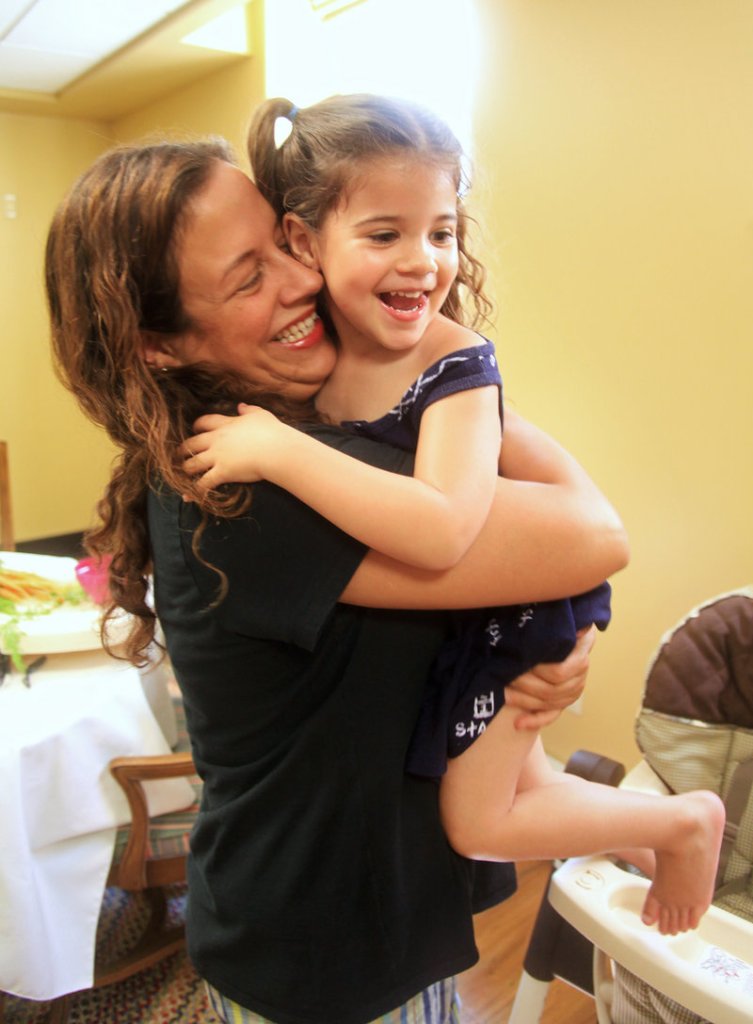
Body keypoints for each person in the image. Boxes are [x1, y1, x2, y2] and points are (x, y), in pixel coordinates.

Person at [46, 136, 627, 1024]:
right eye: (247, 278)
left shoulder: (303, 428)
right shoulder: (246, 484)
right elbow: (592, 534)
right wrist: (453, 358)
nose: (301, 280)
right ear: (159, 346)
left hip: (364, 917)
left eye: (285, 244)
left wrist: (524, 667)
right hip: (323, 950)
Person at [181, 95, 725, 939]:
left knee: (479, 820)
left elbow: (442, 529)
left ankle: (680, 823)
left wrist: (284, 455)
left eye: (440, 232)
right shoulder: (322, 343)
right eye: (384, 234)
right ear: (302, 240)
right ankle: (651, 842)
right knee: (527, 788)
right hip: (484, 609)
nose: (423, 262)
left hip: (519, 610)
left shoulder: (454, 365)